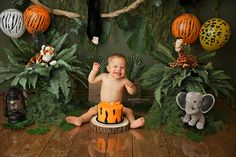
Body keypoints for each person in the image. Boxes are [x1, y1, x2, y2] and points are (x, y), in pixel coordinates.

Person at [66, 53, 145, 129]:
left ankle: (133, 122)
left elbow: (132, 92)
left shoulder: (124, 80)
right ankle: (80, 120)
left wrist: (131, 86)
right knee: (91, 111)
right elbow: (91, 80)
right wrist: (94, 71)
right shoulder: (104, 76)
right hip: (103, 105)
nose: (118, 69)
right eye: (115, 66)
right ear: (108, 68)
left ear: (125, 70)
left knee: (129, 111)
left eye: (122, 67)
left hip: (117, 107)